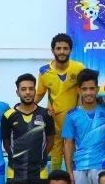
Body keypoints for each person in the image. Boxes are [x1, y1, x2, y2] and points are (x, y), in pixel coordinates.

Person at [1, 73, 54, 184]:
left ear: (35, 91)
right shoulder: (8, 116)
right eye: (23, 89)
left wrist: (39, 156)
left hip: (39, 174)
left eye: (31, 89)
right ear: (17, 92)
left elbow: (50, 141)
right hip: (15, 173)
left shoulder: (45, 114)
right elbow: (6, 143)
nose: (28, 92)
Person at [36, 33, 85, 173]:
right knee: (55, 160)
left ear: (70, 50)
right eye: (58, 48)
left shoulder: (79, 67)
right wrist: (28, 110)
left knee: (74, 158)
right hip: (54, 121)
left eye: (65, 48)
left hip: (74, 121)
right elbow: (39, 94)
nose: (62, 51)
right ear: (53, 51)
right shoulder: (44, 71)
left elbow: (85, 91)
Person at [62, 68, 105, 184]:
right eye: (85, 89)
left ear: (97, 89)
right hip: (79, 168)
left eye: (91, 88)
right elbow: (68, 143)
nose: (88, 92)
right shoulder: (72, 115)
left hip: (103, 167)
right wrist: (69, 171)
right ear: (79, 90)